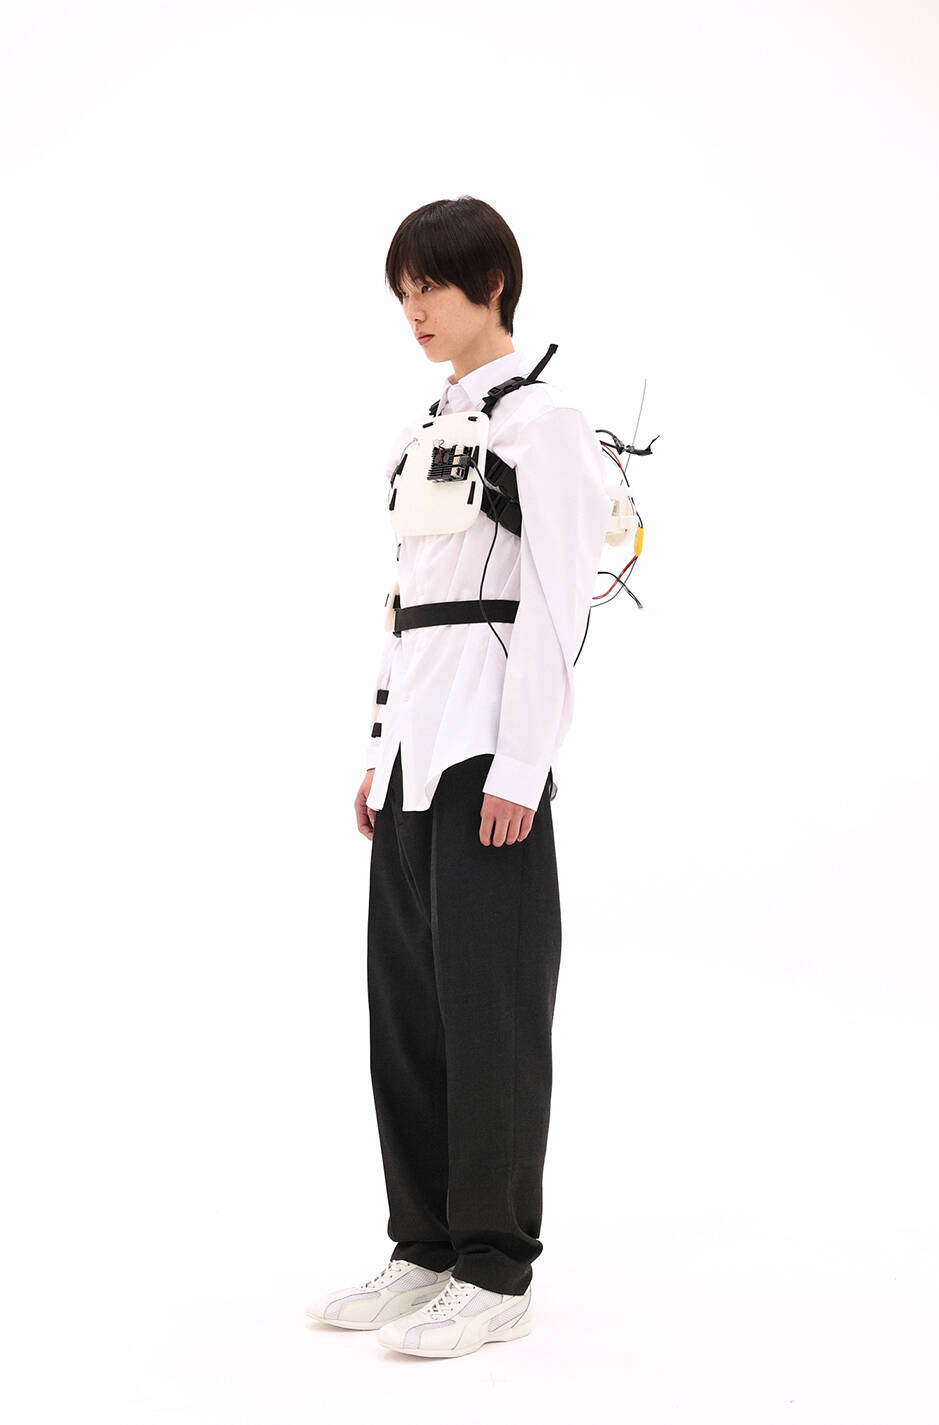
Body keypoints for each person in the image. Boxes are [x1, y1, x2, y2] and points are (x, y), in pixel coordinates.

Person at [306, 195, 612, 1359]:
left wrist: (522, 765)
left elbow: (554, 605)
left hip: (488, 753)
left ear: (491, 283)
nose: (413, 309)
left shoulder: (546, 423)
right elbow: (406, 608)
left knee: (490, 1013)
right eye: (401, 291)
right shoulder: (423, 430)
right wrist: (376, 749)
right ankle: (423, 1244)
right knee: (408, 1012)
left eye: (429, 285)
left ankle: (494, 1267)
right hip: (413, 761)